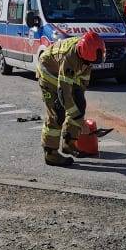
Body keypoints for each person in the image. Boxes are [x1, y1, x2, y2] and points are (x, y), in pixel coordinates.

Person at [36, 30, 105, 167]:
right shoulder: (70, 57)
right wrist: (74, 115)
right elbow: (64, 91)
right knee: (57, 113)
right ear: (82, 53)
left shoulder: (88, 55)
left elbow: (82, 83)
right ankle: (50, 154)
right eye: (88, 61)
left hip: (63, 78)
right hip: (48, 73)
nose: (90, 64)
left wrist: (79, 116)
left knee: (79, 106)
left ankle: (69, 143)